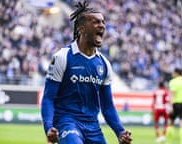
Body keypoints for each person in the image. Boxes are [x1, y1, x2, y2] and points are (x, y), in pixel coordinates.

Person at [40, 1, 132, 144]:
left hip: (93, 127)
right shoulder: (63, 57)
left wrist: (120, 131)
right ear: (82, 29)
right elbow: (48, 98)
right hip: (67, 121)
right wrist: (48, 127)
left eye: (103, 22)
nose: (102, 25)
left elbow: (107, 106)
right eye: (96, 22)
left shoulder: (104, 64)